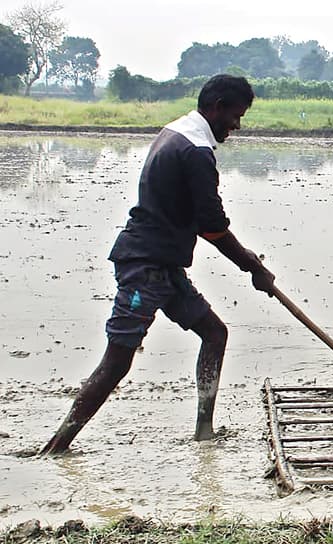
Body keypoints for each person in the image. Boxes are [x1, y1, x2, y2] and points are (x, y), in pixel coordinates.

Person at [40, 74, 275, 454]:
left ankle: (204, 431)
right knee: (117, 360)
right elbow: (212, 225)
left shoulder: (177, 130)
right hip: (145, 266)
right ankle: (55, 447)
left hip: (163, 265)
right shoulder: (196, 149)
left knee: (215, 334)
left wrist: (250, 266)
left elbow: (202, 222)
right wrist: (252, 265)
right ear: (215, 107)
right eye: (235, 115)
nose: (236, 125)